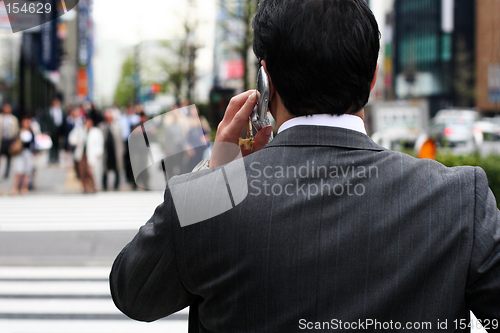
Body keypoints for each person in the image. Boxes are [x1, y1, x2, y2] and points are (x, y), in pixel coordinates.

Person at [110, 0, 500, 331]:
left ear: (266, 81)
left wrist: (216, 174)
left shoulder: (207, 201)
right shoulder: (461, 199)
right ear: (372, 78)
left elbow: (135, 294)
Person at [68, 116, 103, 193]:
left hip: (91, 154)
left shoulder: (96, 132)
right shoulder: (80, 130)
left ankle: (93, 186)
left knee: (90, 171)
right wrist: (78, 141)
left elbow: (99, 144)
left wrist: (98, 153)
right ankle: (84, 187)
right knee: (82, 171)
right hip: (82, 154)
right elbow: (71, 139)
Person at [99, 109, 124, 191]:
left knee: (117, 168)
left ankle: (116, 185)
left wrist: (121, 150)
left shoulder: (117, 126)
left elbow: (120, 140)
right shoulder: (102, 126)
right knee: (105, 169)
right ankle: (104, 185)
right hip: (106, 151)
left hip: (115, 151)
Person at [11, 115, 35, 195]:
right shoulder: (19, 132)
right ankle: (15, 188)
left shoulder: (31, 133)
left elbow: (33, 144)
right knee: (18, 170)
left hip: (27, 153)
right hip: (20, 153)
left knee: (27, 171)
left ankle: (24, 187)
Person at [0, 103, 19, 179]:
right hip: (2, 140)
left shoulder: (13, 119)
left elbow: (16, 130)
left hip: (10, 139)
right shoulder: (1, 118)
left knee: (9, 157)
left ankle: (7, 173)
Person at [47, 98, 65, 165]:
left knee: (58, 145)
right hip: (51, 131)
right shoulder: (49, 110)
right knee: (50, 145)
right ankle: (51, 158)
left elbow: (63, 122)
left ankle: (57, 158)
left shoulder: (62, 111)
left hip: (59, 130)